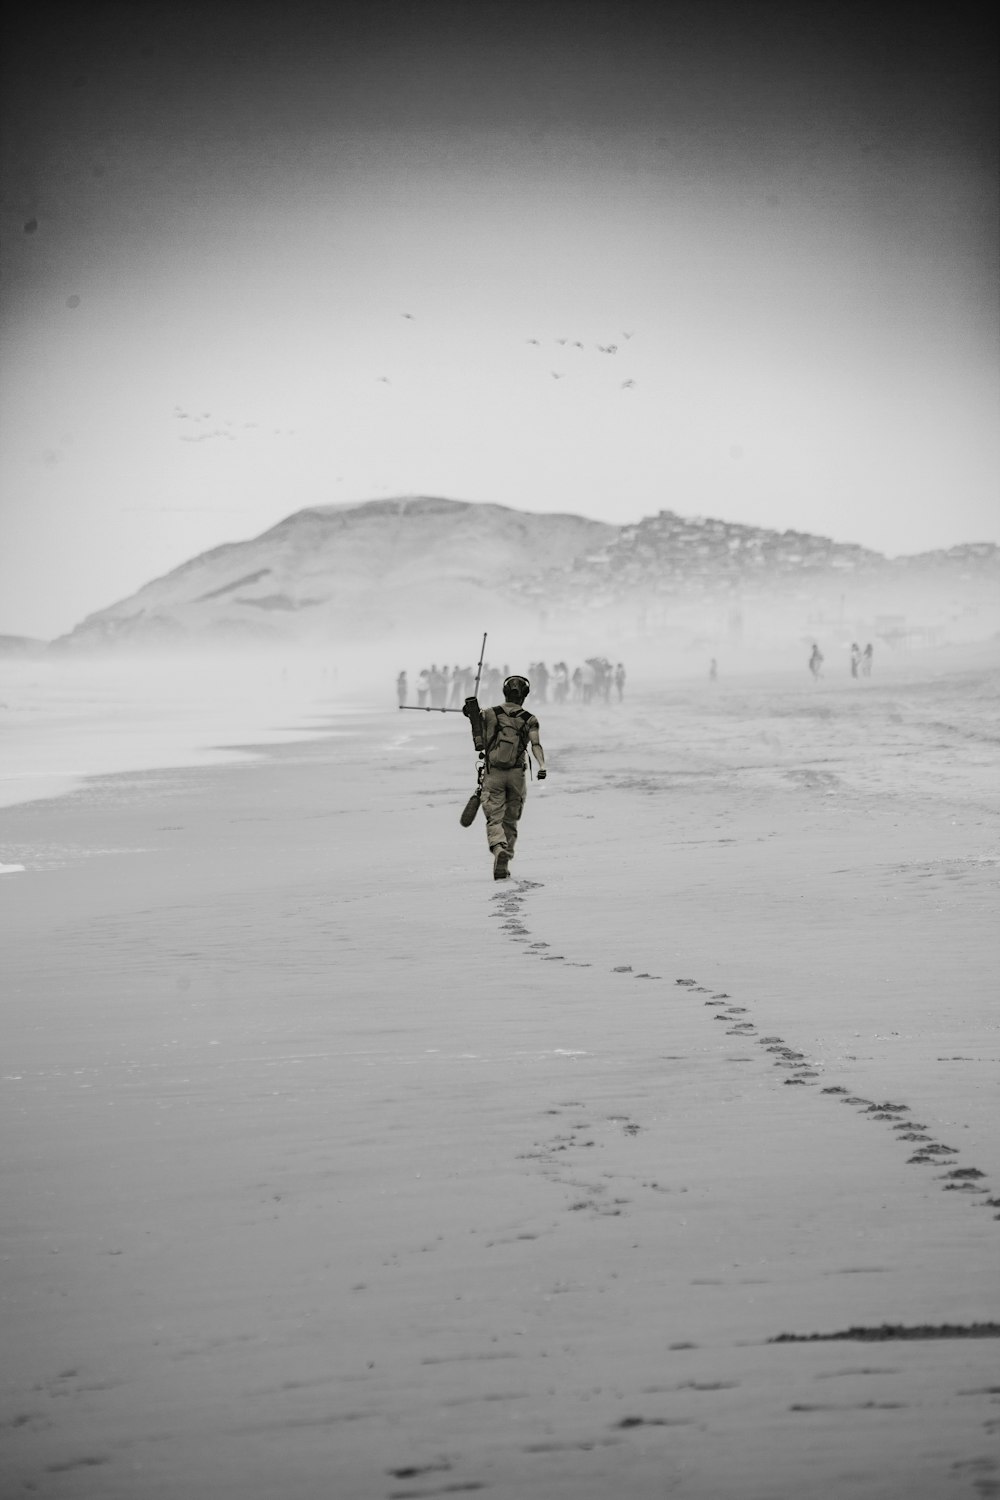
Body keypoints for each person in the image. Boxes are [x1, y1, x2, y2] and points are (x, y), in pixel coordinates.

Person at [470, 674, 546, 880]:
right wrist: (542, 765)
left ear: (505, 692)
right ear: (525, 695)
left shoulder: (489, 713)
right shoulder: (530, 719)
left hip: (493, 774)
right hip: (516, 775)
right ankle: (505, 858)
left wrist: (470, 714)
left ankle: (499, 849)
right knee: (511, 820)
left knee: (494, 817)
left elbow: (476, 727)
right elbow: (536, 745)